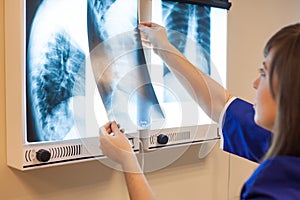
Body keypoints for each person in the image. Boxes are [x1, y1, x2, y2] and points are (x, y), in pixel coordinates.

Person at [99, 22, 300, 199]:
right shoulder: (287, 140)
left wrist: (127, 161)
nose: (255, 83)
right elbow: (221, 104)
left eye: (263, 73)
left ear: (290, 90)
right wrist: (164, 48)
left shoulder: (275, 190)